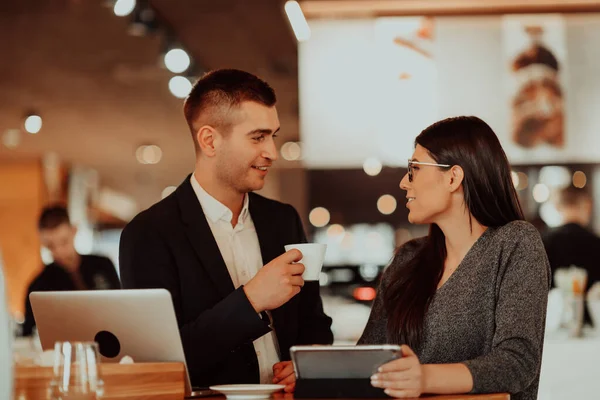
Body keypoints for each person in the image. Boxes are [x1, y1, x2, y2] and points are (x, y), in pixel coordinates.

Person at [119, 69, 333, 391]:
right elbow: (159, 360)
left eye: (272, 136)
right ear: (209, 140)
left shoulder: (284, 219)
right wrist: (250, 300)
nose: (271, 152)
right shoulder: (149, 233)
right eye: (257, 137)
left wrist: (310, 361)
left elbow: (315, 323)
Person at [358, 116, 550, 400]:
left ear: (452, 177)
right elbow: (369, 355)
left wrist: (424, 378)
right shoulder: (408, 259)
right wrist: (315, 371)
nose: (403, 183)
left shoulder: (515, 243)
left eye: (414, 169)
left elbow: (517, 363)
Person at [23, 205, 121, 336]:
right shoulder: (38, 285)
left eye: (64, 242)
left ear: (74, 231)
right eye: (50, 246)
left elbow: (121, 307)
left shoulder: (103, 265)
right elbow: (29, 333)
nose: (58, 251)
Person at [543, 185, 600, 326]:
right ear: (586, 205)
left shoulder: (543, 242)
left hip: (551, 323)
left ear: (557, 206)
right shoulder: (596, 242)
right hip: (590, 323)